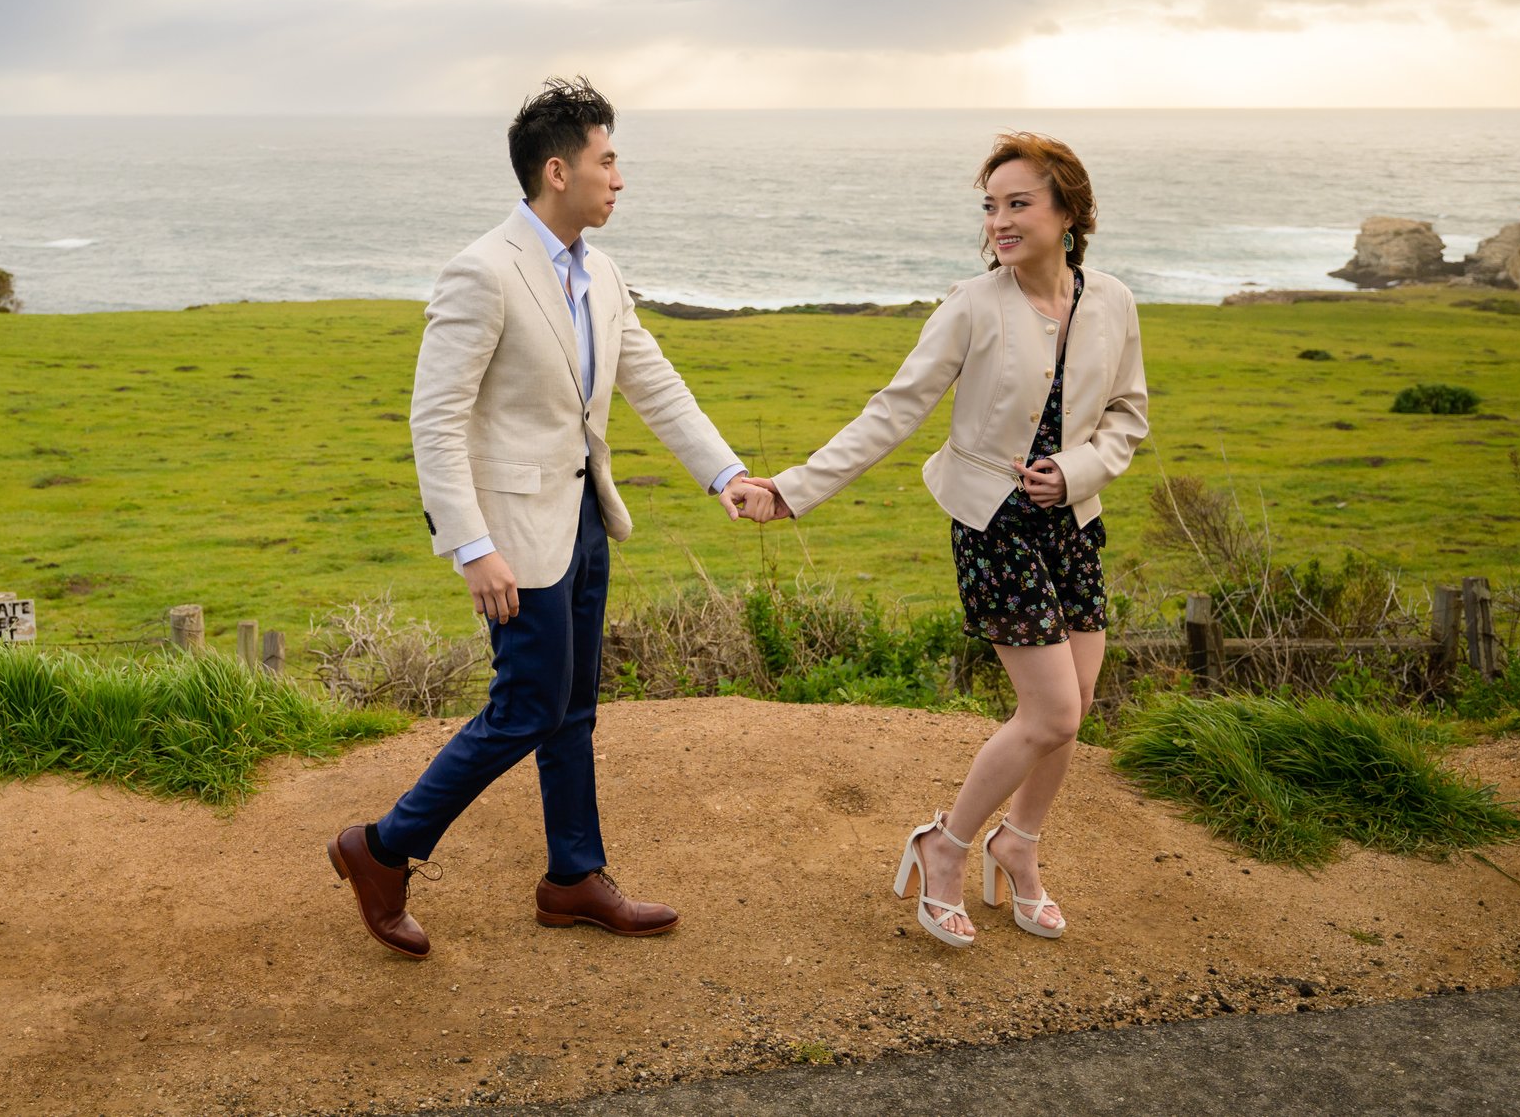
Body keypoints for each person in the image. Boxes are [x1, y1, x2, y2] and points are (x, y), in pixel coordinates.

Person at [328, 77, 775, 959]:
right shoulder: (482, 270)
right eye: (608, 160)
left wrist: (724, 470)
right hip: (511, 540)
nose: (620, 177)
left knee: (572, 707)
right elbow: (436, 416)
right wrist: (471, 545)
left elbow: (653, 380)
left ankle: (573, 874)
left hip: (582, 518)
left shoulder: (600, 272)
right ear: (559, 169)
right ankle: (380, 848)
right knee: (527, 704)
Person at [735, 132, 1147, 948]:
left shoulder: (1114, 302)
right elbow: (894, 410)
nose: (999, 219)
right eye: (990, 205)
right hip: (992, 525)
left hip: (1074, 520)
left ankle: (1019, 846)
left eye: (1018, 202)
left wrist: (1075, 471)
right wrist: (793, 488)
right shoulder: (970, 304)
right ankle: (945, 846)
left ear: (1068, 211)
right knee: (1052, 707)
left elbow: (1128, 418)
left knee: (1076, 711)